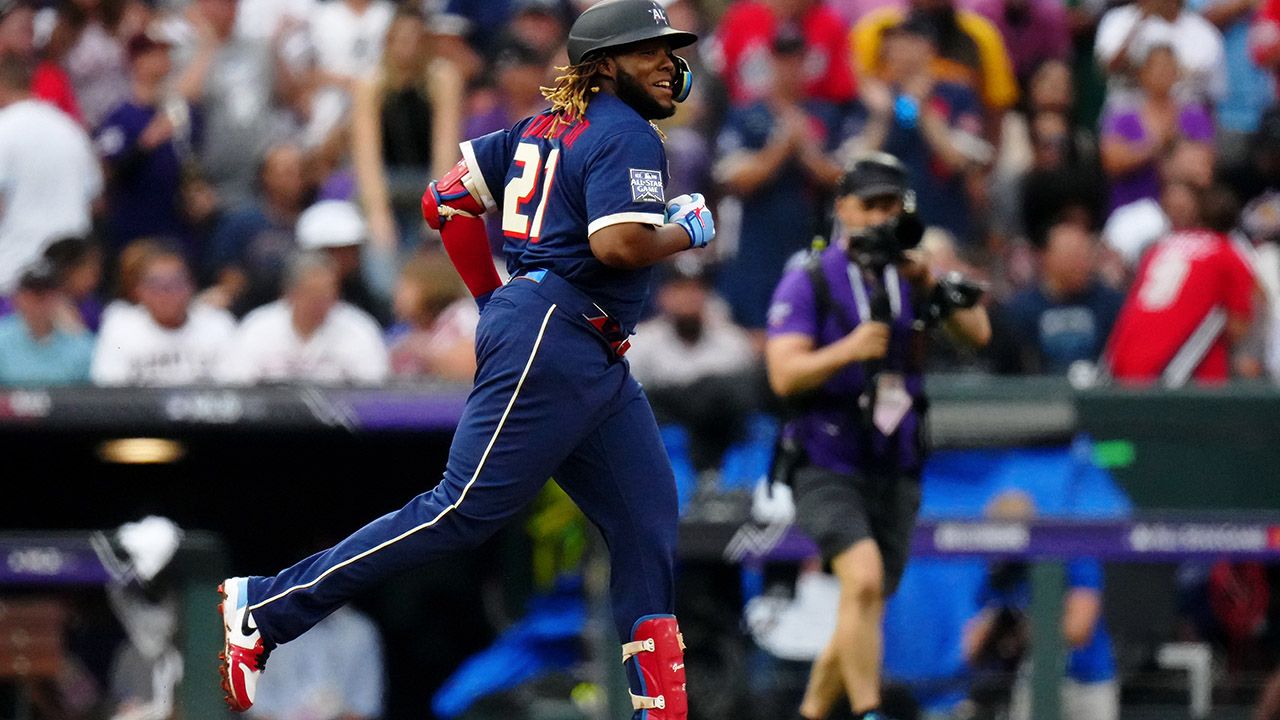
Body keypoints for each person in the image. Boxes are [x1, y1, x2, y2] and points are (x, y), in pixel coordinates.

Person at [217, 4, 715, 720]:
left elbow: (445, 199)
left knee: (647, 522)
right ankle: (265, 607)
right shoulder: (625, 129)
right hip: (561, 330)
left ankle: (660, 713)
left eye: (673, 51)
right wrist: (684, 229)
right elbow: (620, 246)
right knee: (462, 508)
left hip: (576, 341)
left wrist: (496, 299)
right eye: (651, 52)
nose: (670, 63)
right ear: (604, 65)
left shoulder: (541, 126)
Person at [764, 152, 989, 720]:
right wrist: (846, 349)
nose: (884, 217)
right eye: (872, 205)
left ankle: (812, 712)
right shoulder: (810, 276)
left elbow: (978, 333)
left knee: (866, 601)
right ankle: (870, 710)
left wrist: (929, 279)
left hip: (896, 458)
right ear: (844, 208)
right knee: (860, 580)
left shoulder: (910, 272)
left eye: (894, 205)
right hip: (825, 456)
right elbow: (783, 373)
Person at [963, 491, 1118, 720]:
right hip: (1032, 679)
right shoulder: (999, 574)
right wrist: (996, 628)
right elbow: (971, 649)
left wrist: (1019, 634)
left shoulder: (1071, 554)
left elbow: (1078, 629)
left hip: (1087, 679)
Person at [1105, 185, 1258, 385]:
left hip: (1121, 366)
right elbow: (1239, 327)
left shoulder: (1159, 249)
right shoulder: (1227, 253)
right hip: (1178, 377)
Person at [351, 8, 464, 252]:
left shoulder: (442, 78)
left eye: (415, 40)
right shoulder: (371, 84)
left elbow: (445, 146)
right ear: (388, 42)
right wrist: (378, 215)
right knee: (380, 248)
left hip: (427, 179)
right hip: (387, 180)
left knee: (441, 242)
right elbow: (366, 155)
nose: (408, 48)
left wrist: (438, 206)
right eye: (401, 40)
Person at [0, 54, 102, 295]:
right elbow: (96, 200)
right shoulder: (70, 128)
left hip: (16, 266)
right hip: (71, 265)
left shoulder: (4, 128)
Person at [217, 250, 388, 384]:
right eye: (312, 294)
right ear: (289, 294)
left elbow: (374, 390)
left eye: (328, 294)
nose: (321, 302)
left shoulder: (358, 328)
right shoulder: (258, 328)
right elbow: (234, 384)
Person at [91, 241, 236, 386]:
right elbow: (108, 391)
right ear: (137, 290)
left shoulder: (218, 324)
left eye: (176, 283)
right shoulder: (120, 327)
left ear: (192, 285)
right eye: (155, 285)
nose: (166, 293)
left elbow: (236, 388)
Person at [993, 222, 1124, 374]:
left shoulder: (1112, 305)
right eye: (1071, 255)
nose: (1079, 262)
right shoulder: (1020, 310)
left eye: (1084, 254)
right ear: (1046, 257)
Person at [1098, 42, 1215, 213]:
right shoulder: (1122, 118)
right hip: (1131, 209)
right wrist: (1160, 148)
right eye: (1156, 66)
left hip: (1184, 211)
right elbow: (1112, 162)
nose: (1162, 72)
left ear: (1177, 72)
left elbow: (1202, 172)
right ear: (1142, 73)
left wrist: (1137, 154)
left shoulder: (1194, 116)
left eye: (1168, 66)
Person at [386, 251, 477, 382]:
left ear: (431, 286)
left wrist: (423, 350)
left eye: (406, 287)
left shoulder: (462, 314)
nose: (398, 295)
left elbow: (468, 365)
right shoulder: (405, 328)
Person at [0, 261, 95, 387]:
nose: (40, 300)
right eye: (34, 293)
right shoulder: (2, 339)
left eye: (48, 293)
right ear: (17, 297)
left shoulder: (81, 344)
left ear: (59, 297)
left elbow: (89, 398)